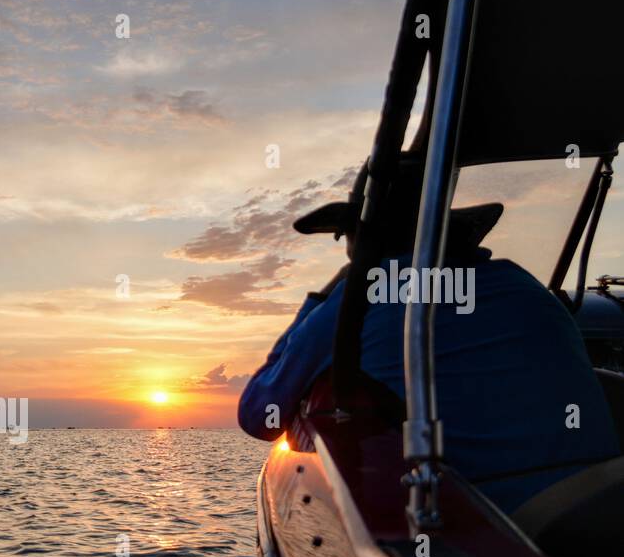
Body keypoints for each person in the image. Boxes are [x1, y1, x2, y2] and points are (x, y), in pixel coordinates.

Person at [238, 159, 620, 513]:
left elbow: (260, 414)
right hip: (602, 506)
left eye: (346, 237)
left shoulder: (359, 299)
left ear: (365, 239)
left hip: (508, 540)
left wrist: (324, 297)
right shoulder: (525, 286)